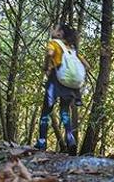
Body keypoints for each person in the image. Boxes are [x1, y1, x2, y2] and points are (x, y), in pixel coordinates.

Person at [35, 24, 88, 155]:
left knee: (46, 112)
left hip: (55, 80)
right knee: (65, 112)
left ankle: (41, 142)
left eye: (55, 28)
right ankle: (70, 140)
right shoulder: (71, 49)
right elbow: (87, 66)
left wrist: (47, 66)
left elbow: (50, 53)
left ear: (59, 34)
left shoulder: (54, 43)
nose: (52, 30)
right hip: (69, 86)